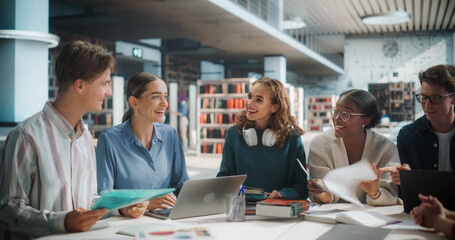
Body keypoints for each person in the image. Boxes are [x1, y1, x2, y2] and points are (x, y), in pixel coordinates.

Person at [0, 40, 147, 239]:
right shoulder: (26, 136)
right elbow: (8, 210)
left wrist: (120, 208)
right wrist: (62, 221)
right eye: (105, 83)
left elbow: (85, 203)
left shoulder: (85, 138)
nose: (109, 92)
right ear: (80, 86)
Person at [96, 72, 189, 210]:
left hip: (166, 222)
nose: (165, 104)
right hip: (127, 224)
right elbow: (104, 196)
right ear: (134, 102)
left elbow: (181, 186)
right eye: (156, 97)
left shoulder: (170, 135)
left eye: (165, 96)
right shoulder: (110, 140)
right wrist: (144, 204)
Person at [217, 77, 308, 200]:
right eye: (249, 97)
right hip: (241, 209)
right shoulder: (234, 134)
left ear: (274, 107)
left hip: (276, 210)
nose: (249, 103)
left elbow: (301, 187)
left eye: (258, 100)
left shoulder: (292, 139)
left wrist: (283, 194)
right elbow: (223, 180)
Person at [308, 89, 400, 206]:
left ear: (365, 121)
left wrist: (375, 193)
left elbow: (391, 195)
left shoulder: (386, 148)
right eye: (336, 111)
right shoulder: (320, 144)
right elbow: (325, 195)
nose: (336, 118)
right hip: (332, 217)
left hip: (373, 218)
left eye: (345, 114)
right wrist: (321, 192)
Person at [382, 65, 455, 185]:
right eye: (424, 97)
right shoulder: (407, 135)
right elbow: (403, 192)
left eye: (435, 98)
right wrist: (406, 178)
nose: (427, 105)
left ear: (453, 99)